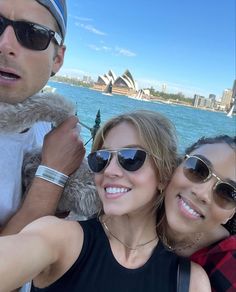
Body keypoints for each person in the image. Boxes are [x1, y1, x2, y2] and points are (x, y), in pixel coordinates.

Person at [0, 110, 211, 292]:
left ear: (164, 175)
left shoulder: (190, 282)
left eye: (130, 158)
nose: (109, 171)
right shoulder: (61, 238)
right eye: (101, 159)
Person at [0, 0, 88, 237]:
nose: (5, 44)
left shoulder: (47, 124)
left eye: (32, 34)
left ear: (57, 59)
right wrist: (53, 174)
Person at [160, 135, 236, 291]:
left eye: (227, 193)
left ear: (231, 214)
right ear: (177, 165)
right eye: (198, 169)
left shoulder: (230, 267)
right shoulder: (127, 212)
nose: (202, 194)